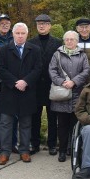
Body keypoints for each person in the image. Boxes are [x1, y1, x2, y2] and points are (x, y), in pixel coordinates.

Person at [0, 22, 42, 164]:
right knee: (5, 123)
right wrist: (15, 82)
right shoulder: (3, 50)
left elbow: (38, 68)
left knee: (26, 123)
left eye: (23, 33)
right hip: (9, 91)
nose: (20, 36)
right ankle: (5, 151)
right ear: (13, 34)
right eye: (18, 33)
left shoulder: (35, 50)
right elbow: (1, 69)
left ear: (27, 34)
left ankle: (24, 151)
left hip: (27, 91)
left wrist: (25, 82)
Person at [48, 31, 90, 162]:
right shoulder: (57, 54)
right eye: (67, 39)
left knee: (75, 124)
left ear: (77, 41)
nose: (70, 41)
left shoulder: (82, 55)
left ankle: (72, 148)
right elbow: (52, 70)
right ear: (64, 41)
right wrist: (62, 82)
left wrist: (74, 81)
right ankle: (62, 150)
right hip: (62, 94)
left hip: (77, 94)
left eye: (72, 39)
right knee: (62, 125)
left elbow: (86, 70)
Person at [28, 14, 62, 155]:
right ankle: (34, 143)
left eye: (44, 23)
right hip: (35, 85)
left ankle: (52, 144)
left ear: (49, 25)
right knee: (34, 117)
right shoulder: (30, 43)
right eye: (39, 23)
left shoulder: (58, 43)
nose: (41, 26)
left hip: (51, 84)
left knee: (52, 117)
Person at [0, 13, 15, 151]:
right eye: (1, 23)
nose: (4, 25)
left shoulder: (16, 37)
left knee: (13, 114)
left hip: (13, 81)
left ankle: (12, 143)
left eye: (7, 22)